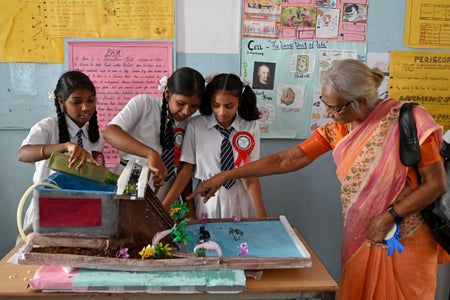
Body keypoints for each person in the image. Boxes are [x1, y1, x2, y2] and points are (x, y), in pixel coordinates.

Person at [188, 59, 449, 299]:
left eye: (333, 107)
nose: (327, 113)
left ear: (358, 102)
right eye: (325, 104)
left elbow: (435, 184)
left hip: (406, 237)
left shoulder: (410, 120)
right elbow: (288, 159)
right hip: (361, 233)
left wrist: (389, 215)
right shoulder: (339, 128)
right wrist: (226, 175)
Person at [162, 73, 267, 219]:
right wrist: (188, 214)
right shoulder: (195, 126)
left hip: (241, 197)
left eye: (229, 106)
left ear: (240, 101)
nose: (222, 112)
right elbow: (185, 172)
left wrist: (264, 219)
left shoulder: (251, 126)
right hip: (207, 201)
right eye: (216, 105)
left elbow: (251, 175)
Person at [17, 70, 103, 240]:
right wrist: (64, 146)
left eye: (90, 100)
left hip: (78, 212)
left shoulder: (94, 136)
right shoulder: (48, 127)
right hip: (46, 209)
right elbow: (23, 154)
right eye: (77, 102)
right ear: (61, 102)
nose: (85, 107)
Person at [104, 67, 206, 201]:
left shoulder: (192, 124)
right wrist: (150, 154)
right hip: (133, 175)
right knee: (131, 219)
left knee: (161, 220)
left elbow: (184, 171)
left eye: (194, 106)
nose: (186, 111)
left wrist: (168, 205)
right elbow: (110, 132)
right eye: (180, 103)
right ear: (167, 92)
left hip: (167, 185)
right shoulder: (144, 104)